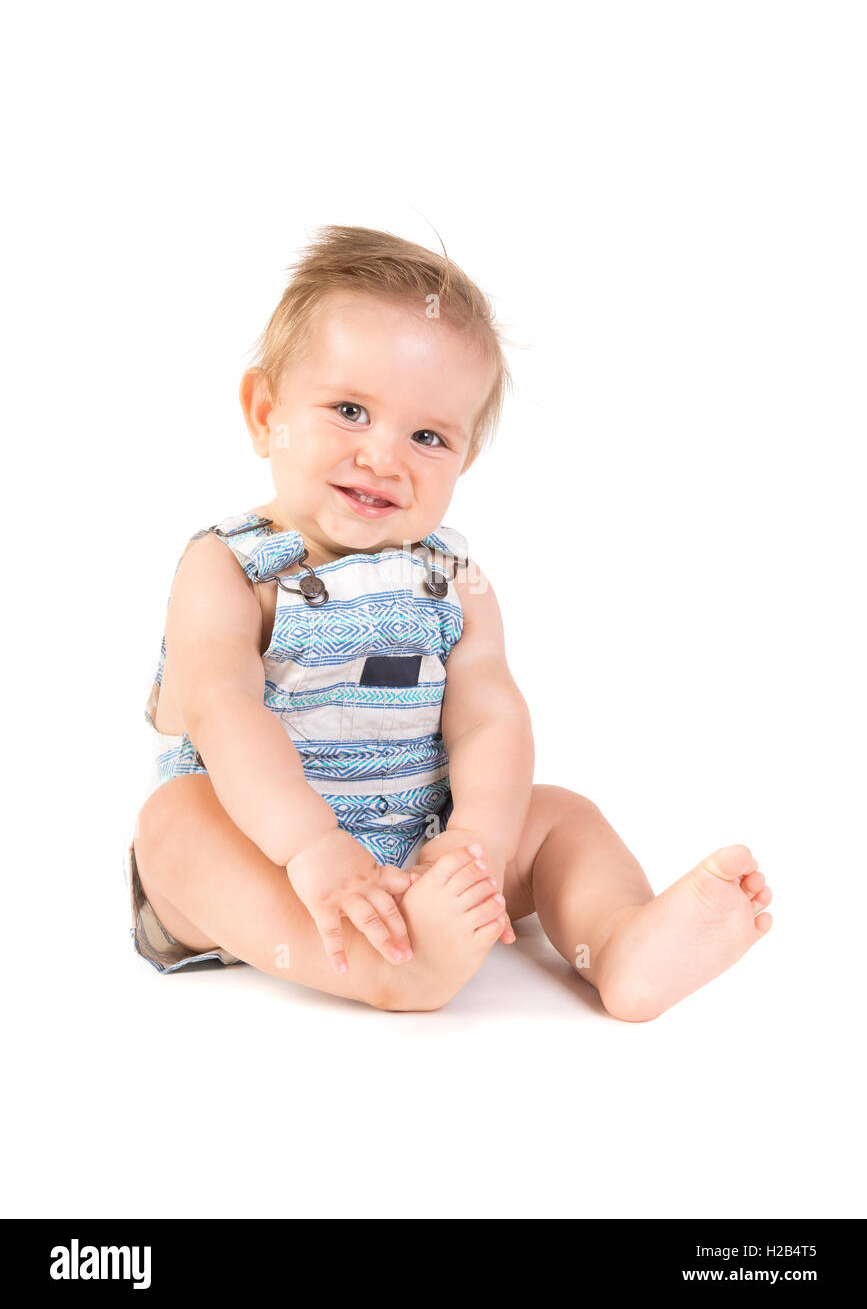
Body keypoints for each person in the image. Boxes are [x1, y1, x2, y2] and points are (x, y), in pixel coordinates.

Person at [128, 225, 772, 1018]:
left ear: (461, 459)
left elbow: (489, 717)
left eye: (427, 436)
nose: (383, 457)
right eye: (350, 410)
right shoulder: (231, 568)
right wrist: (311, 848)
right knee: (175, 823)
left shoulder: (455, 579)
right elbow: (224, 710)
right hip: (264, 864)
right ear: (267, 413)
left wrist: (479, 838)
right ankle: (382, 969)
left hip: (421, 847)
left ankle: (618, 943)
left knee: (560, 814)